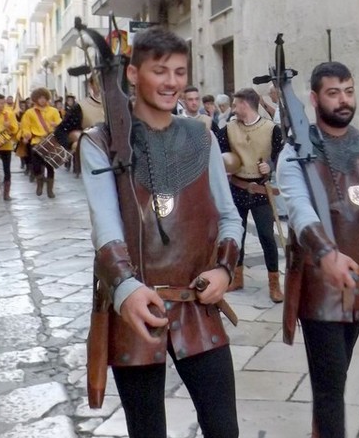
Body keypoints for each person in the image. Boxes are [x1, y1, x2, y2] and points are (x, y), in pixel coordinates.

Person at [79, 26, 244, 438]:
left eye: (179, 71)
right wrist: (126, 289)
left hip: (196, 303)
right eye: (160, 71)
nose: (172, 82)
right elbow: (106, 229)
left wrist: (224, 269)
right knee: (147, 431)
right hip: (137, 306)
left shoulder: (200, 137)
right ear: (133, 74)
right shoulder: (99, 142)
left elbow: (229, 217)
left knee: (224, 429)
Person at [277, 61, 359, 438]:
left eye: (348, 90)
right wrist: (327, 254)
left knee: (337, 373)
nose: (343, 100)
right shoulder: (295, 152)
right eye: (333, 92)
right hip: (318, 284)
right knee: (331, 386)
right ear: (314, 98)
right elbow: (298, 211)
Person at [221, 88, 284, 301]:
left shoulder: (271, 129)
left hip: (260, 190)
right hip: (236, 188)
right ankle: (236, 278)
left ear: (245, 105)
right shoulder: (228, 128)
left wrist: (271, 165)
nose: (233, 108)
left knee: (267, 236)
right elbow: (219, 153)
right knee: (237, 234)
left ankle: (274, 284)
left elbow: (280, 155)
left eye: (235, 104)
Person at [55, 77, 104, 178]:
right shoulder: (80, 107)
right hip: (94, 157)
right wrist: (72, 144)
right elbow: (61, 131)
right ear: (91, 85)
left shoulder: (121, 103)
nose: (101, 86)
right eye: (97, 83)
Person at [20, 87, 62, 198]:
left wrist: (56, 125)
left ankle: (50, 190)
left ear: (47, 98)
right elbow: (25, 126)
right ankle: (39, 183)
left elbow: (60, 123)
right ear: (35, 99)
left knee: (50, 166)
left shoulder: (54, 111)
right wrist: (26, 134)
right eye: (40, 98)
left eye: (44, 98)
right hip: (36, 141)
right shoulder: (29, 113)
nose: (42, 100)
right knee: (36, 165)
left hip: (50, 140)